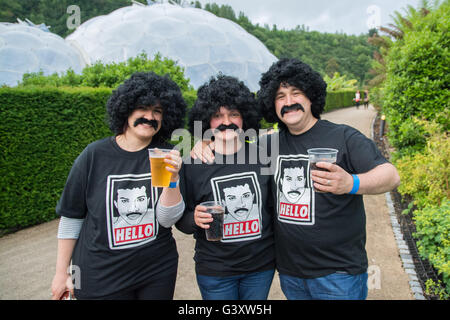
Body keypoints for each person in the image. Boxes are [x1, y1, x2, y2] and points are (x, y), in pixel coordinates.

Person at [193, 59, 400, 300]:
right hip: (291, 274)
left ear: (311, 96)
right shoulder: (267, 146)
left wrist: (351, 183)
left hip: (338, 274)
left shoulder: (343, 137)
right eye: (280, 96)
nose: (289, 102)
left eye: (296, 93)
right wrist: (204, 140)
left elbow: (390, 176)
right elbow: (233, 144)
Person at [51, 72, 187, 300]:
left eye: (158, 111)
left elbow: (166, 220)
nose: (149, 117)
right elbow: (71, 217)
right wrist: (60, 273)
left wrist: (172, 179)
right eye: (142, 108)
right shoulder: (93, 155)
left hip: (156, 271)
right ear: (126, 110)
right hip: (101, 275)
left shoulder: (166, 154)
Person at [176, 75, 275, 300]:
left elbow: (272, 207)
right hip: (215, 270)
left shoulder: (263, 156)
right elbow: (181, 220)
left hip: (260, 267)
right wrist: (195, 219)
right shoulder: (192, 164)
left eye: (234, 114)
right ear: (206, 120)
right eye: (217, 116)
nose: (226, 121)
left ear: (245, 118)